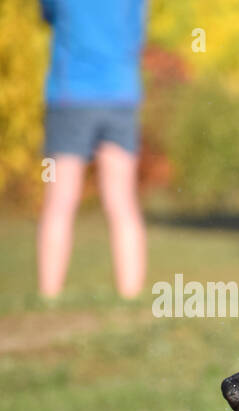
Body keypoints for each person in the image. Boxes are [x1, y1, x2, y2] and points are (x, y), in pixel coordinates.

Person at [38, 0, 147, 300]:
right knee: (122, 201)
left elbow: (47, 15)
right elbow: (137, 34)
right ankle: (131, 295)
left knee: (59, 201)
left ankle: (49, 296)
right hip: (121, 93)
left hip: (70, 95)